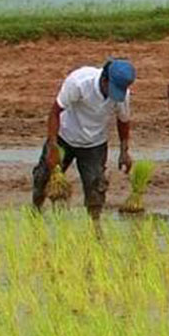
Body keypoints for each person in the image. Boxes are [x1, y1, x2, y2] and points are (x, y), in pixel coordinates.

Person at [31, 59, 135, 221]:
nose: (114, 95)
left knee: (96, 189)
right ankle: (35, 214)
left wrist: (124, 151)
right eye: (112, 89)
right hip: (64, 136)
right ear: (104, 79)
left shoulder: (123, 95)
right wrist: (52, 147)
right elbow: (55, 112)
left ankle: (95, 227)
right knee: (43, 179)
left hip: (94, 144)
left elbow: (123, 121)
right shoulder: (79, 82)